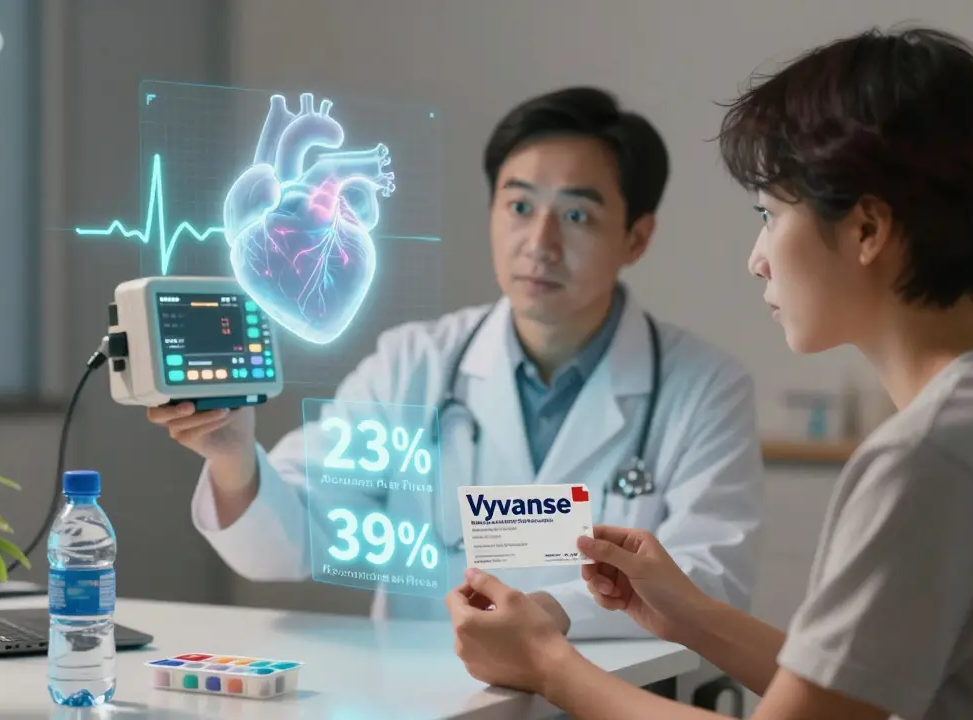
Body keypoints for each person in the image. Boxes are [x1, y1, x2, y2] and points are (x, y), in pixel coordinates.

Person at [447, 26, 973, 719]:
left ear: (866, 230)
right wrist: (688, 614)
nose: (758, 258)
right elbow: (844, 696)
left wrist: (548, 665)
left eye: (769, 214)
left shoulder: (931, 458)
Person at [149, 86, 765, 639]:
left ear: (637, 237)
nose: (540, 243)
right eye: (519, 207)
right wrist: (233, 456)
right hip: (434, 700)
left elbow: (710, 581)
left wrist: (552, 612)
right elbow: (288, 541)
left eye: (576, 215)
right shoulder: (412, 365)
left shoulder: (704, 388)